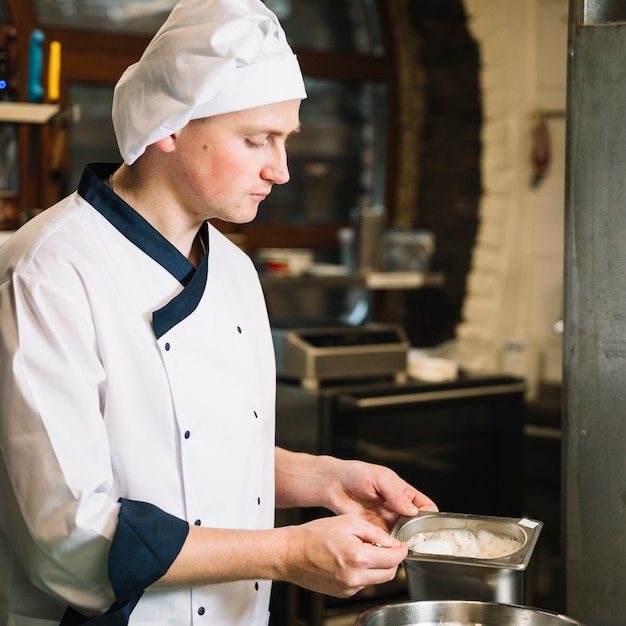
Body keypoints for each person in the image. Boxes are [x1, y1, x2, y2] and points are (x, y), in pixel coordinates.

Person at [0, 1, 437, 624]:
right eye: (256, 139)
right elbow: (69, 536)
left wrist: (323, 479)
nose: (280, 170)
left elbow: (195, 447)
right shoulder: (49, 271)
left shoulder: (234, 270)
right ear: (168, 126)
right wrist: (286, 553)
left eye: (286, 141)